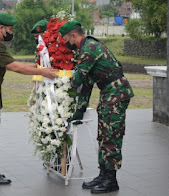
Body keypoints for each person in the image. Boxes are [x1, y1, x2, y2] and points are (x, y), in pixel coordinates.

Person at [0, 13, 57, 185]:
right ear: (1, 28)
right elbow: (14, 66)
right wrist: (42, 72)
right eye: (9, 29)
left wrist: (35, 66)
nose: (11, 32)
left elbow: (11, 62)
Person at [59, 21, 134, 194]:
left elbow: (77, 79)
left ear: (73, 36)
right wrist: (81, 108)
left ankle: (111, 180)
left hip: (116, 92)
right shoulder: (86, 48)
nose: (65, 44)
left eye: (65, 40)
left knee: (111, 135)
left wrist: (61, 83)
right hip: (108, 92)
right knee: (103, 134)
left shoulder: (89, 48)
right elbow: (86, 84)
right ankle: (103, 174)